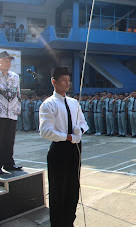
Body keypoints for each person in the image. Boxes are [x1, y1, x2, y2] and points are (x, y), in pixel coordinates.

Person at [39, 66, 88, 227]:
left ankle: (69, 221)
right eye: (63, 80)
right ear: (54, 82)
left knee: (73, 189)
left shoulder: (74, 102)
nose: (67, 84)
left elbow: (83, 123)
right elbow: (45, 131)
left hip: (75, 149)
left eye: (69, 80)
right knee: (58, 190)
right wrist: (67, 136)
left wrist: (78, 130)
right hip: (59, 150)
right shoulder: (49, 104)